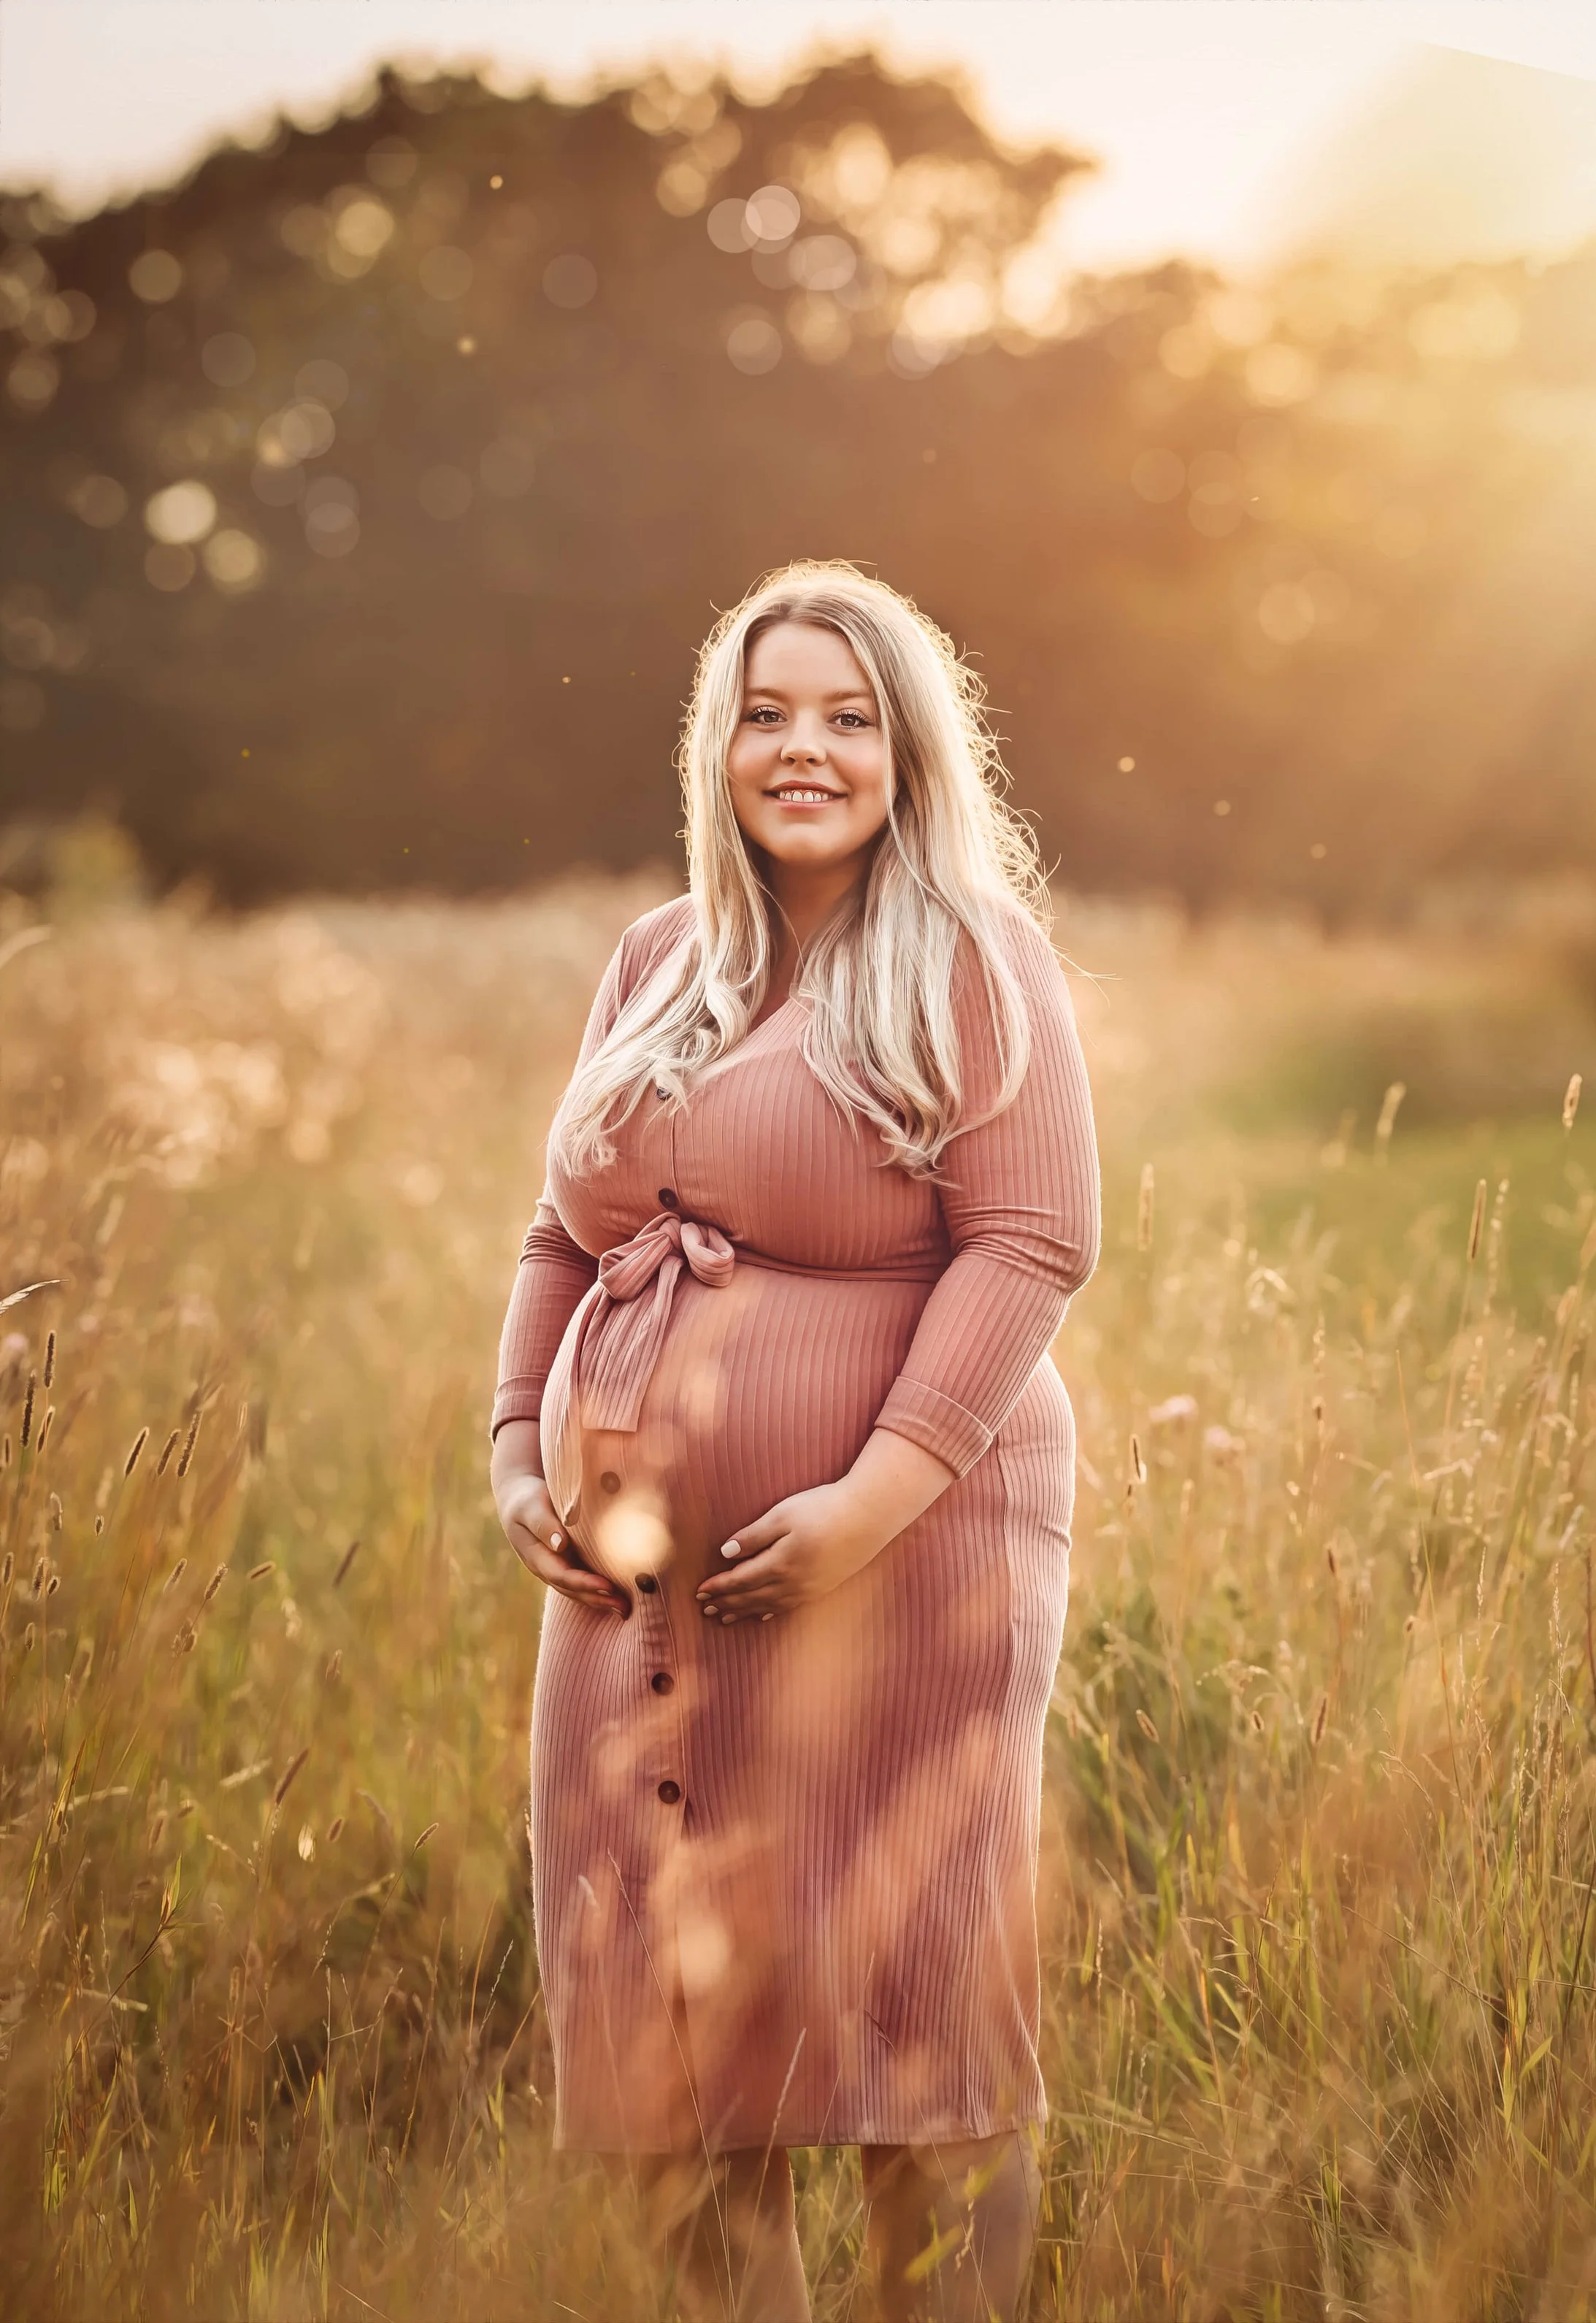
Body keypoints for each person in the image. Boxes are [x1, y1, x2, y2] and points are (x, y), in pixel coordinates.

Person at [489, 561, 1100, 2320]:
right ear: (719, 747)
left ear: (908, 751)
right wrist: (518, 1449)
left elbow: (1029, 1241)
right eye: (765, 714)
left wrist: (863, 1503)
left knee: (913, 1994)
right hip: (632, 1597)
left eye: (845, 717)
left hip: (907, 1558)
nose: (801, 749)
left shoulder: (975, 957)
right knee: (666, 2028)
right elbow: (561, 1231)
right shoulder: (657, 957)